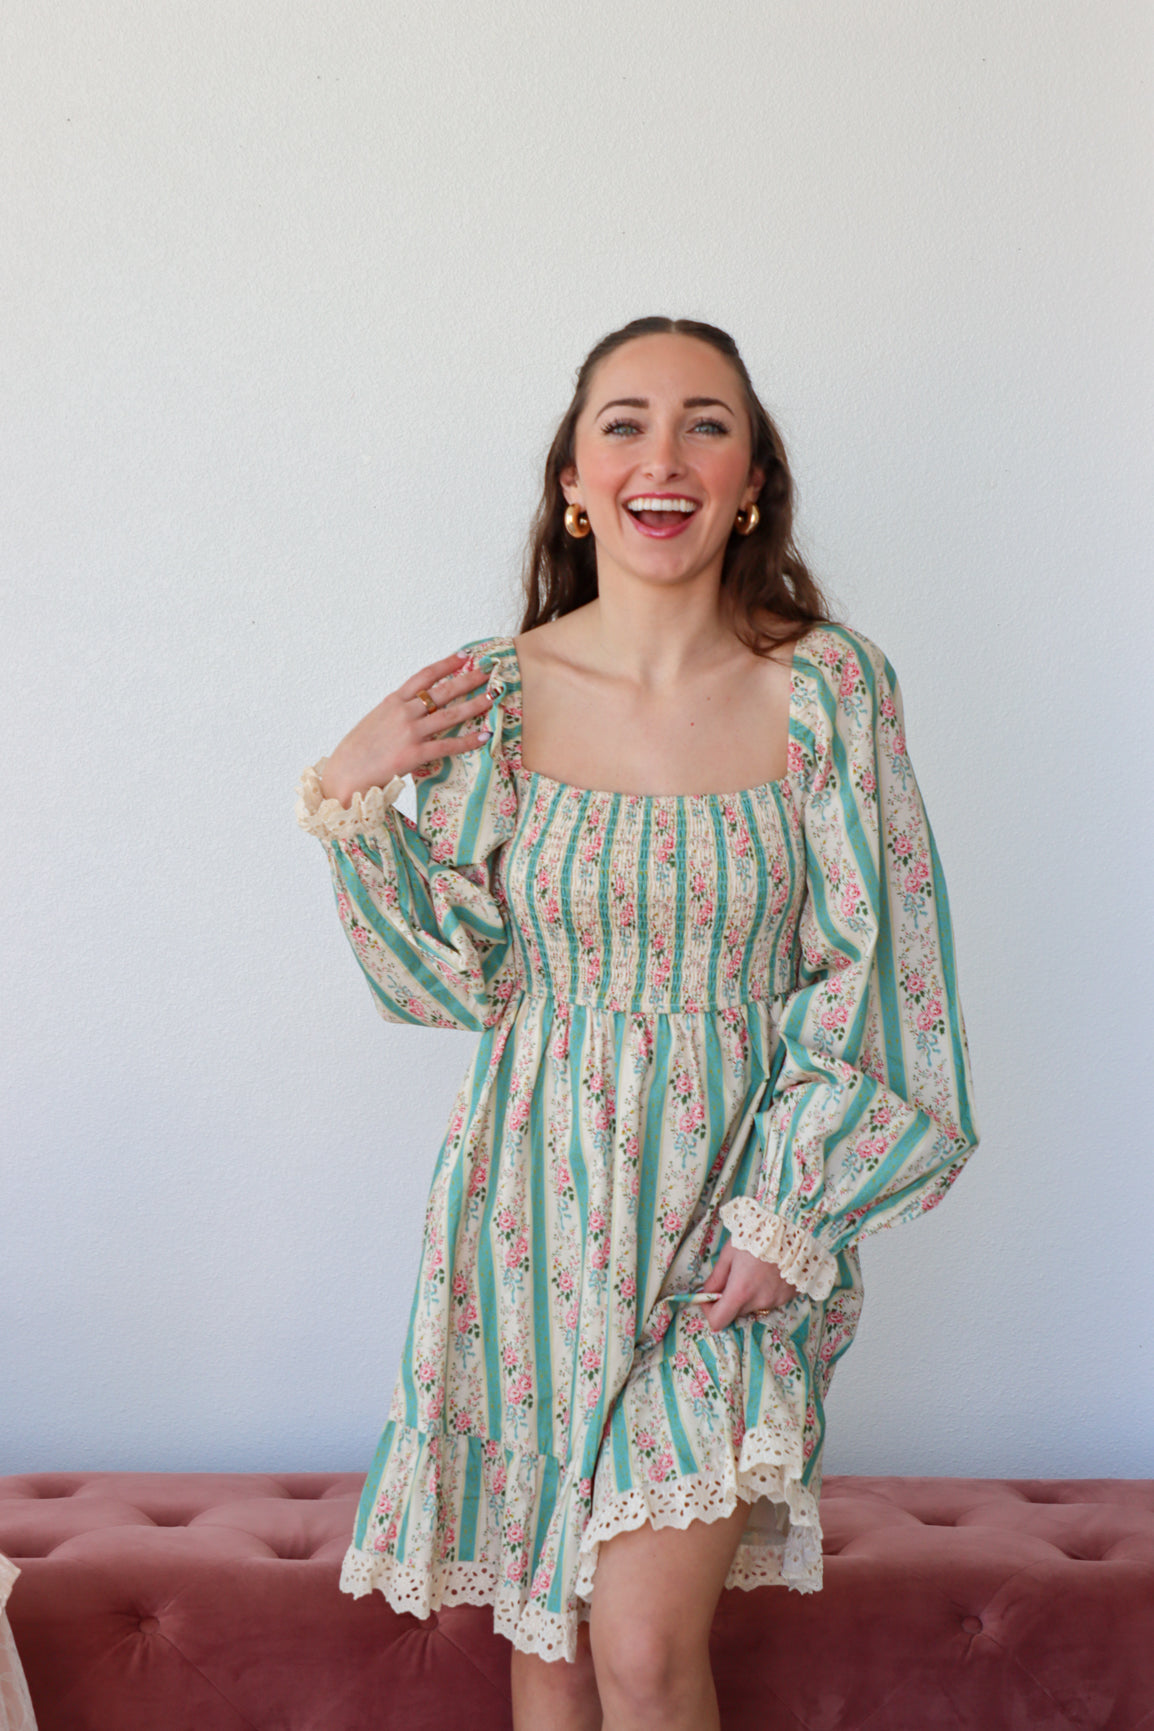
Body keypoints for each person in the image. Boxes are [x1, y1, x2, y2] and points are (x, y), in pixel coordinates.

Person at [296, 315, 980, 1731]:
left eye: (704, 422)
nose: (660, 454)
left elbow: (883, 975)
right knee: (548, 1641)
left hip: (738, 1230)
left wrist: (785, 1218)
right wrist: (350, 801)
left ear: (749, 483)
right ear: (571, 476)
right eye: (622, 421)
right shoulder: (488, 701)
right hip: (533, 1211)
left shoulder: (829, 691)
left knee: (647, 1652)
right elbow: (456, 979)